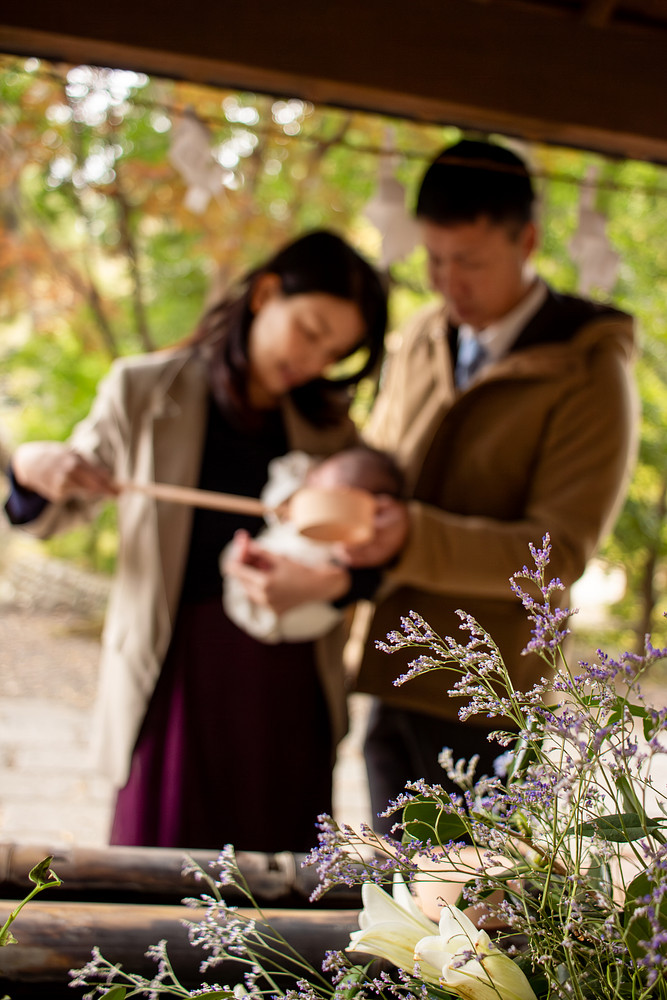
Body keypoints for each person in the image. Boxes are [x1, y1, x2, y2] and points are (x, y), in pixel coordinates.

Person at [3, 229, 388, 852]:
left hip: (287, 679)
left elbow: (374, 546)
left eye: (336, 351)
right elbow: (54, 510)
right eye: (310, 331)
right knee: (164, 867)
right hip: (171, 672)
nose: (316, 360)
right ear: (265, 294)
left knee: (281, 880)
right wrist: (30, 470)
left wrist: (334, 581)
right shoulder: (143, 389)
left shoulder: (330, 428)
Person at [341, 139, 639, 834]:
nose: (447, 282)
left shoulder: (589, 371)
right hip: (392, 669)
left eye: (468, 262)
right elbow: (382, 460)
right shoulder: (421, 334)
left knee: (474, 900)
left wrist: (409, 537)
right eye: (433, 258)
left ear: (527, 241)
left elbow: (556, 555)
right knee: (397, 891)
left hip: (491, 698)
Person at [222, 445, 403, 644]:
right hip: (256, 564)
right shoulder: (297, 492)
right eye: (313, 477)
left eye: (318, 482)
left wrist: (344, 559)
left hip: (292, 604)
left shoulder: (345, 544)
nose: (311, 480)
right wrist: (289, 496)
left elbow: (370, 575)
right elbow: (289, 467)